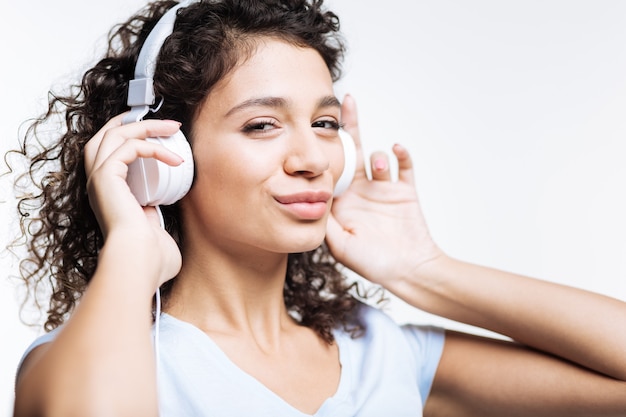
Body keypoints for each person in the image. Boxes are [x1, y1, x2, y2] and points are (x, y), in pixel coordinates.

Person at [9, 0, 626, 416]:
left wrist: (421, 269)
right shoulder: (85, 363)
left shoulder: (383, 350)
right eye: (261, 125)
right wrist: (131, 252)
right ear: (165, 152)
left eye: (326, 123)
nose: (313, 158)